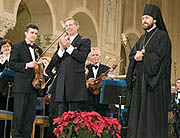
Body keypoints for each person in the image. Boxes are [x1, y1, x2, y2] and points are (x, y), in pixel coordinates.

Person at [126, 4, 171, 138]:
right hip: (140, 83)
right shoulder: (142, 38)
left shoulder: (162, 36)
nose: (143, 20)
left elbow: (160, 59)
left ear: (155, 19)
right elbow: (133, 54)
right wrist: (135, 57)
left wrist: (144, 57)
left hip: (154, 86)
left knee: (151, 118)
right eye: (142, 18)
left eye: (147, 18)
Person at [45, 17, 91, 117]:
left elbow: (82, 57)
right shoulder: (62, 42)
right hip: (62, 84)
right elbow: (55, 62)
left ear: (77, 26)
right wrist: (61, 49)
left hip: (75, 84)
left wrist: (69, 47)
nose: (68, 27)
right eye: (66, 26)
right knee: (61, 117)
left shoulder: (85, 41)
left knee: (74, 117)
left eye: (71, 25)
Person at [9, 23, 43, 138]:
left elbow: (39, 69)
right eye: (32, 33)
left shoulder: (38, 49)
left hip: (34, 87)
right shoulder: (17, 47)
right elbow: (12, 64)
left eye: (36, 34)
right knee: (19, 116)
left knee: (29, 118)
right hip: (21, 86)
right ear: (26, 33)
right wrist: (27, 65)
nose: (34, 35)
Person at [85, 47, 110, 116]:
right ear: (90, 57)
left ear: (99, 56)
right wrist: (87, 82)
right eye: (93, 55)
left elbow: (108, 85)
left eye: (97, 55)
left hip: (101, 101)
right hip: (88, 99)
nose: (95, 57)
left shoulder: (106, 69)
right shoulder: (85, 68)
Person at [0, 39, 14, 138]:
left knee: (9, 115)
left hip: (10, 91)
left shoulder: (13, 61)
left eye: (8, 46)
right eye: (4, 46)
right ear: (1, 49)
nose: (6, 47)